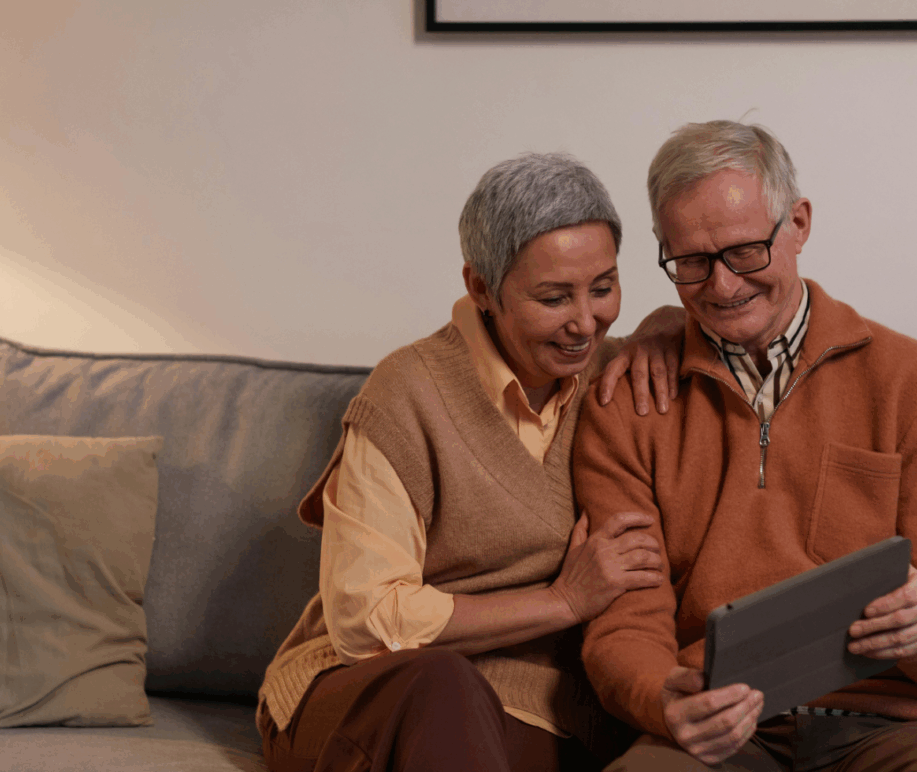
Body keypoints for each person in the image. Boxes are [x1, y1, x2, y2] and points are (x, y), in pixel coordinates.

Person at [573, 120, 917, 772]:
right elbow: (625, 622)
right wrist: (664, 698)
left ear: (797, 224)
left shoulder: (913, 380)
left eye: (745, 251)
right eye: (691, 262)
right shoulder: (625, 401)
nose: (721, 286)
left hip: (896, 725)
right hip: (722, 727)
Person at [257, 151, 686, 772]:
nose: (586, 322)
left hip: (530, 707)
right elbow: (366, 619)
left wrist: (673, 326)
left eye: (603, 287)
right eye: (553, 297)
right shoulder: (406, 391)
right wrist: (563, 602)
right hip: (371, 690)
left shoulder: (620, 378)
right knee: (442, 685)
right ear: (481, 287)